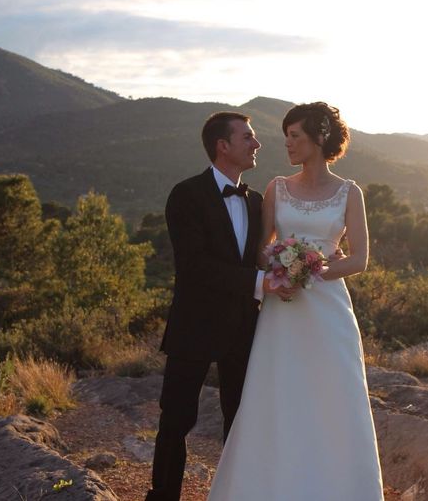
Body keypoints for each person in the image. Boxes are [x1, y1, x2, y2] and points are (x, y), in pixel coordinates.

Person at [207, 102, 384, 500]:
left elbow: (358, 259)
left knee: (332, 398)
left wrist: (310, 269)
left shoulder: (349, 192)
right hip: (282, 310)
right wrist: (280, 271)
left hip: (329, 314)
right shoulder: (276, 188)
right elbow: (260, 249)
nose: (286, 143)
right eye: (286, 135)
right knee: (277, 395)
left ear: (319, 138)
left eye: (294, 136)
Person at [146, 111, 296, 501]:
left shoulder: (257, 201)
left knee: (240, 421)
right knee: (176, 420)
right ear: (222, 146)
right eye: (247, 137)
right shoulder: (186, 194)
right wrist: (261, 283)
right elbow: (193, 266)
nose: (257, 143)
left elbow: (262, 257)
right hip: (193, 326)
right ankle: (163, 497)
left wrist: (297, 268)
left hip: (243, 328)